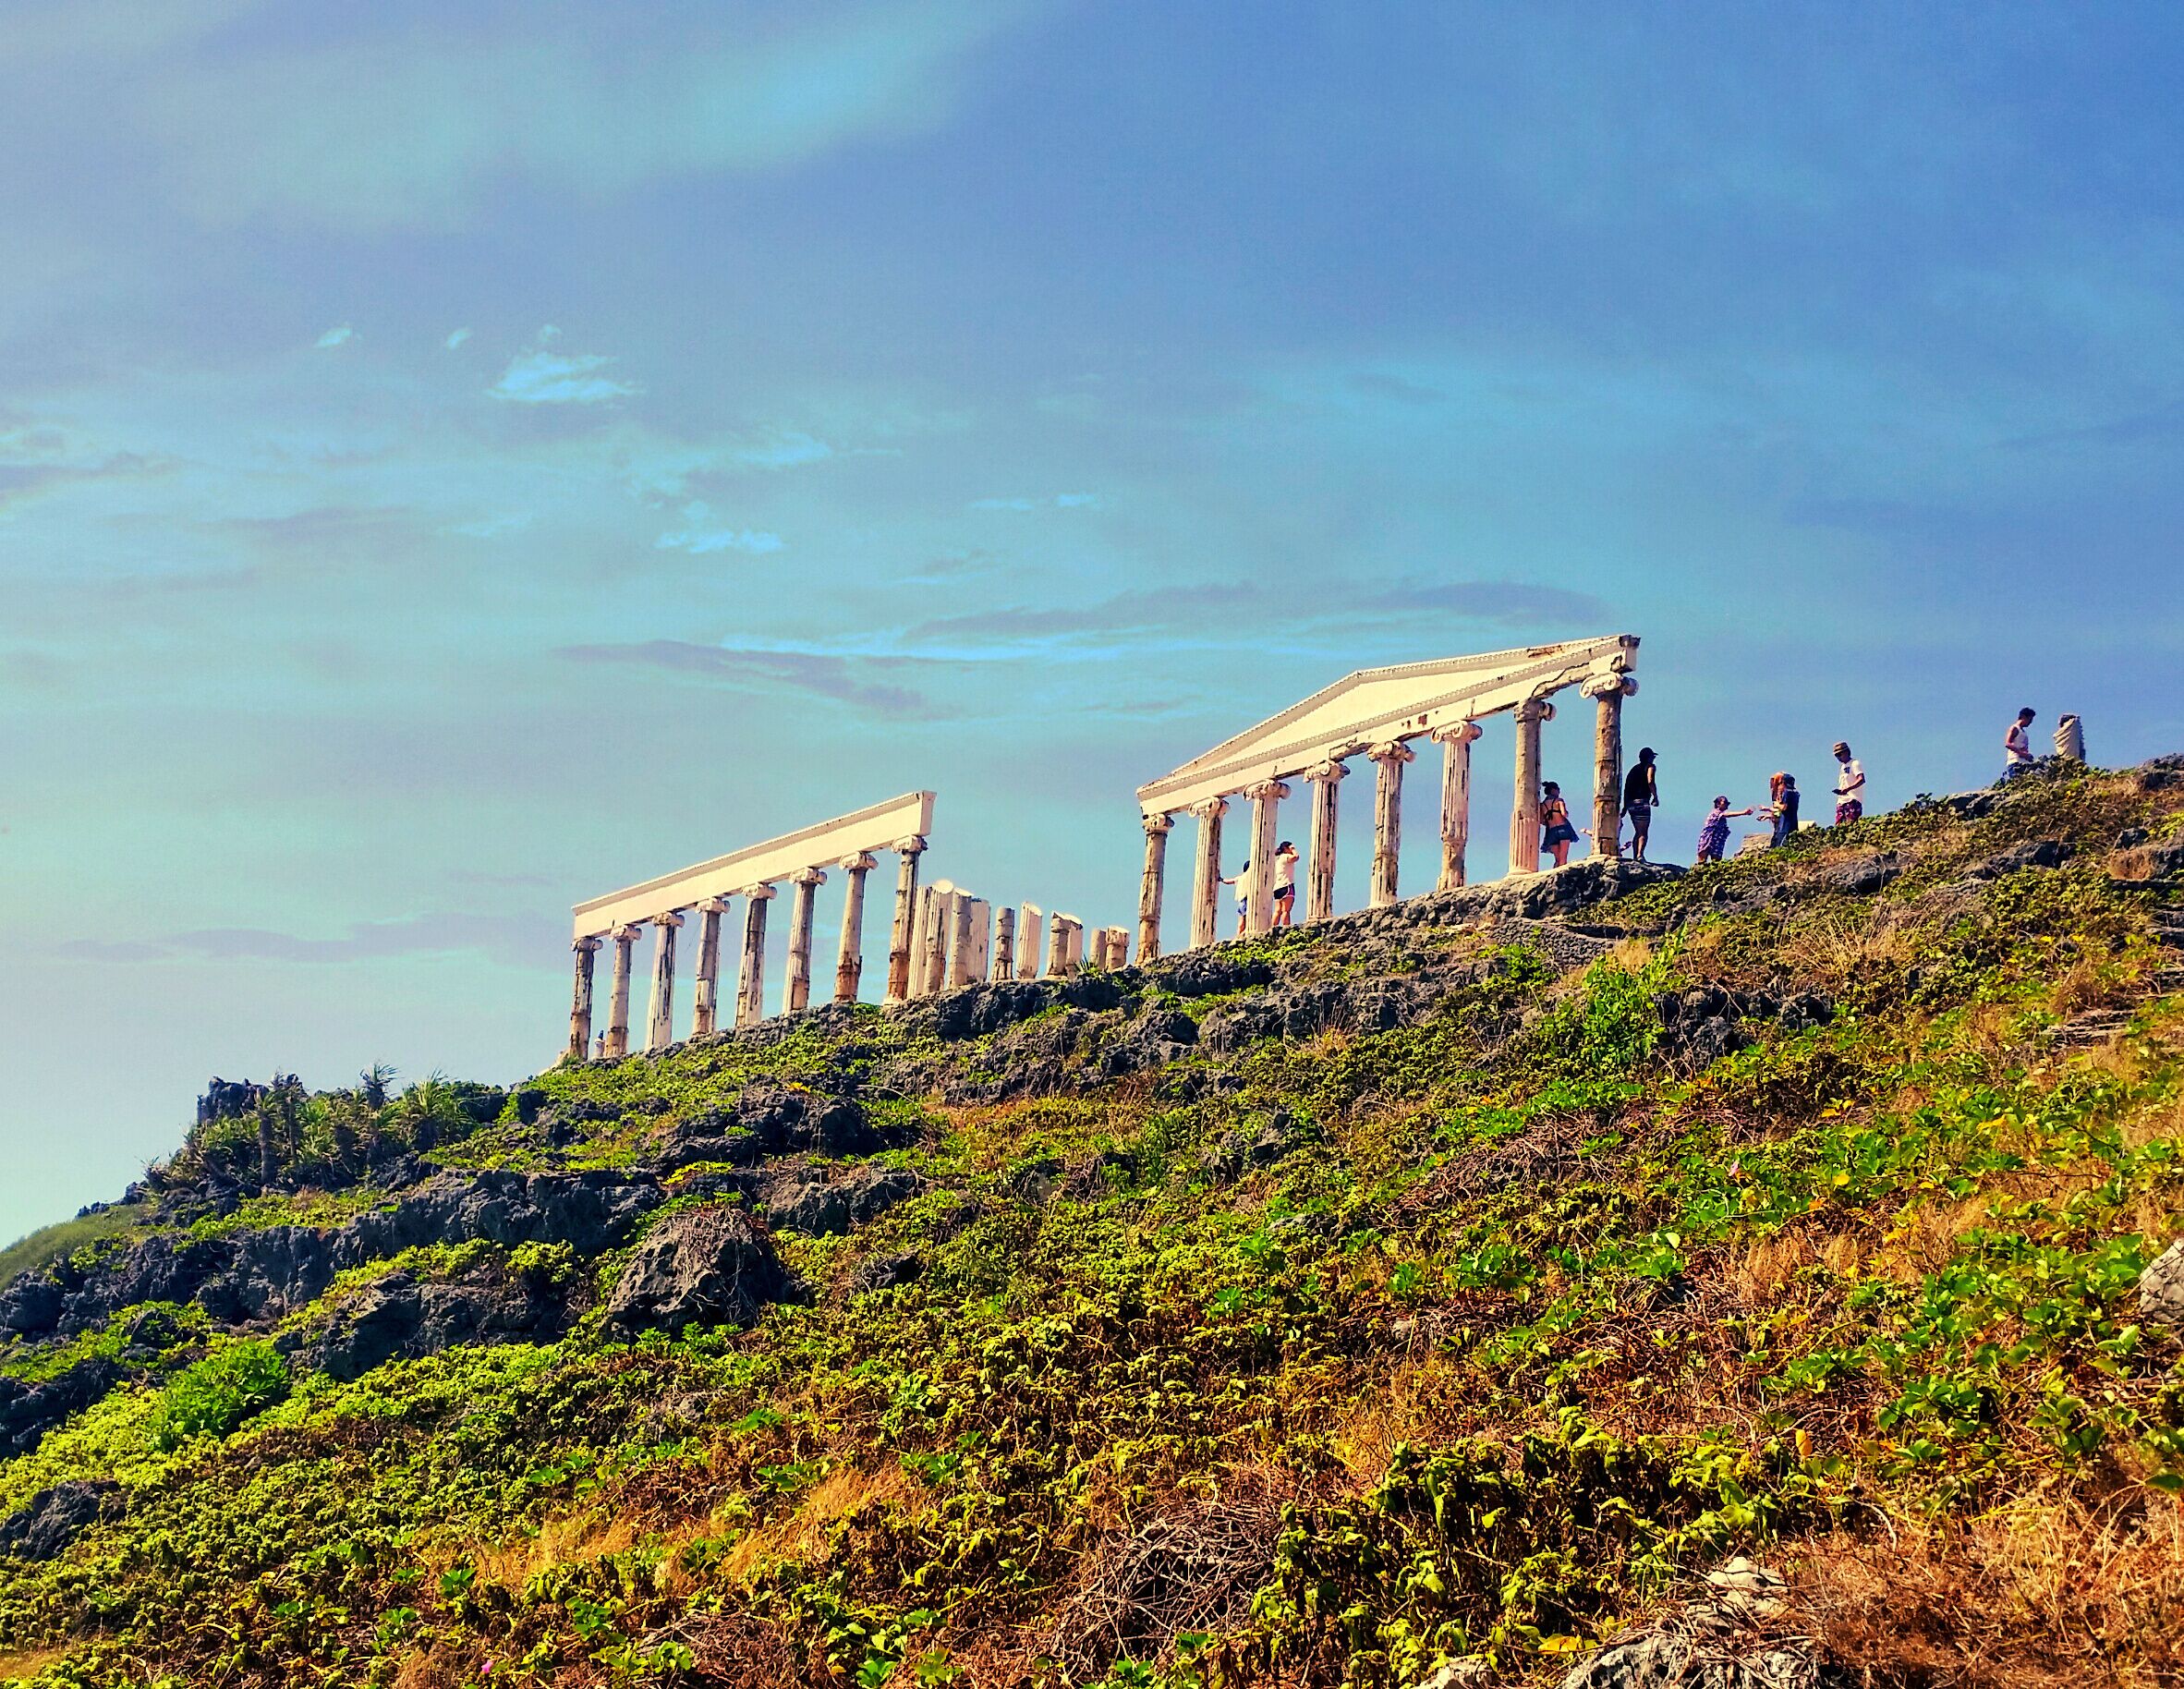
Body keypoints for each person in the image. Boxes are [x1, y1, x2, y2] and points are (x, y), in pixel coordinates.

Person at [1621, 747, 1659, 861]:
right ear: (1649, 758)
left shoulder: (1634, 770)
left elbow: (1627, 788)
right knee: (1643, 832)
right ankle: (1640, 855)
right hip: (1642, 801)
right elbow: (1650, 781)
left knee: (1637, 831)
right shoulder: (1650, 767)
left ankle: (1635, 856)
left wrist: (1625, 807)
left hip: (1631, 803)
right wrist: (1655, 796)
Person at [1694, 796, 1754, 863]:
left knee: (1716, 860)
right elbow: (1727, 814)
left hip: (1718, 840)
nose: (1727, 805)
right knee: (1703, 856)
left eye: (1727, 803)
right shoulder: (1716, 812)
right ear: (1718, 804)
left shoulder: (1722, 819)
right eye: (1725, 803)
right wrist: (1743, 813)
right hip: (1709, 837)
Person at [1540, 780, 1580, 868]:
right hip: (1563, 829)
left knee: (1557, 859)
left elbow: (1541, 820)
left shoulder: (1542, 805)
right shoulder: (1559, 801)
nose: (1559, 792)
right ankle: (1562, 875)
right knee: (1563, 858)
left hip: (1551, 831)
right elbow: (1564, 814)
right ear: (1553, 790)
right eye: (1558, 790)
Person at [1761, 772, 1801, 846]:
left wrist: (1777, 804)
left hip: (1785, 826)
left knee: (1781, 845)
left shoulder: (1788, 792)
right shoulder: (1796, 793)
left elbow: (1784, 807)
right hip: (1793, 824)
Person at [1831, 742, 1865, 824]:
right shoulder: (1843, 767)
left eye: (1839, 754)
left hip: (1852, 800)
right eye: (1836, 755)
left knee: (1851, 824)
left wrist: (1848, 789)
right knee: (1839, 826)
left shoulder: (1854, 763)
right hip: (1841, 801)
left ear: (1846, 752)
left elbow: (1861, 779)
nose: (1838, 757)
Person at [1270, 840, 1300, 929]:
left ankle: (1273, 928)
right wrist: (1293, 849)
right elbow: (1296, 857)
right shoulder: (1285, 856)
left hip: (1277, 887)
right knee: (1285, 910)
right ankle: (1286, 928)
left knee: (1277, 910)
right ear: (1286, 849)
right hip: (1286, 885)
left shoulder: (1278, 859)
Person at [1222, 857, 1253, 937]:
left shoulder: (1239, 878)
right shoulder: (1249, 875)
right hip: (1246, 899)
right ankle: (1243, 935)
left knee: (1241, 920)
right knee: (1248, 919)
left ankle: (1238, 935)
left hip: (1240, 901)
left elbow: (1228, 881)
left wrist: (1221, 879)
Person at [2004, 707, 2036, 778]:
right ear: (2023, 717)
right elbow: (2008, 743)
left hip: (2023, 762)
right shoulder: (2015, 728)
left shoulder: (2023, 731)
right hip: (2015, 762)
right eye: (2030, 719)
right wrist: (2022, 753)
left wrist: (2027, 756)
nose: (2030, 722)